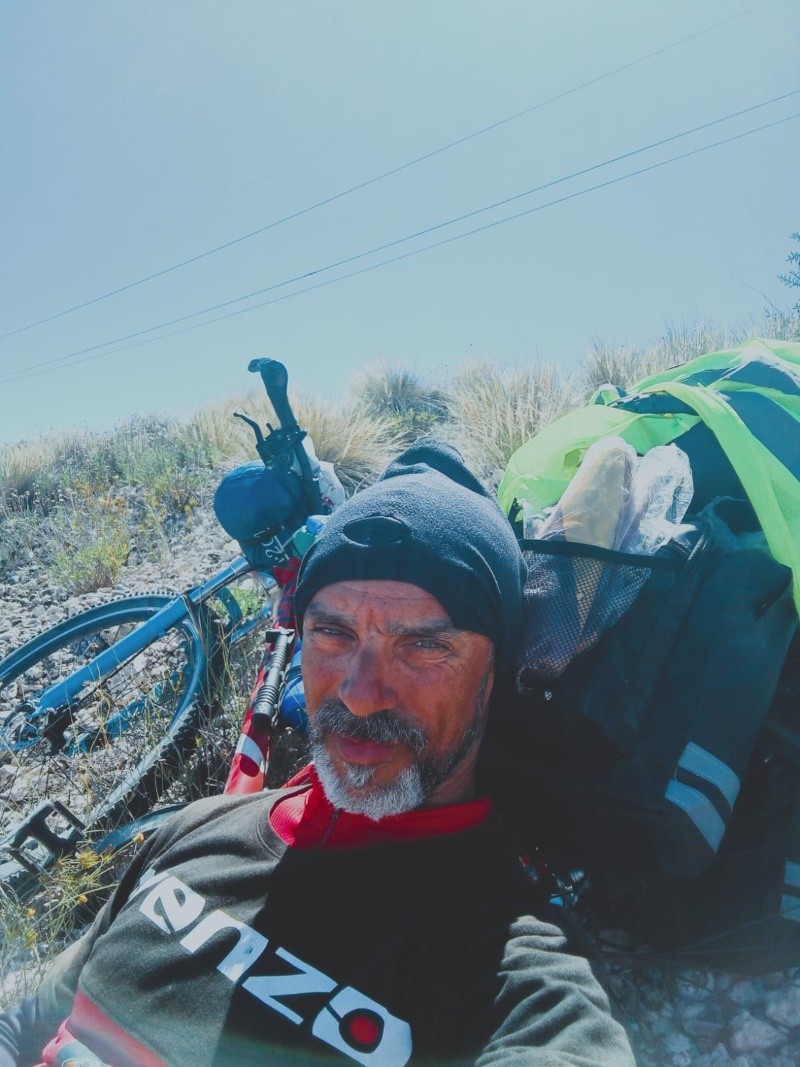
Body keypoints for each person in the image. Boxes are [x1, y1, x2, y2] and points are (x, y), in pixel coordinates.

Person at [0, 440, 635, 1067]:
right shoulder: (198, 826)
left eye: (423, 645)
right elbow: (26, 1023)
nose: (360, 694)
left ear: (494, 675)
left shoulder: (511, 968)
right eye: (333, 632)